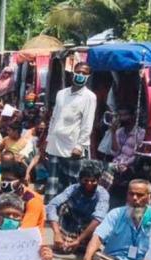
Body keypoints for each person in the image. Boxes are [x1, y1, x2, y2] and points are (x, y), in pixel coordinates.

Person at [45, 62, 96, 200]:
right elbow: (54, 117)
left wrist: (80, 146)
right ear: (73, 72)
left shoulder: (89, 97)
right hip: (55, 144)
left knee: (72, 183)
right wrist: (48, 138)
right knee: (53, 183)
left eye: (84, 73)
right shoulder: (61, 94)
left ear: (88, 76)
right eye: (78, 72)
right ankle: (51, 213)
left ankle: (70, 214)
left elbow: (87, 123)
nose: (81, 75)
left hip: (72, 147)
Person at [46, 164, 110, 254]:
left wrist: (79, 240)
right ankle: (68, 240)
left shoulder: (103, 194)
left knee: (101, 220)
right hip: (72, 223)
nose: (89, 184)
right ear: (80, 180)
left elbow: (98, 219)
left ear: (98, 181)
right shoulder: (72, 189)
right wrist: (56, 233)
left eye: (93, 181)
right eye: (86, 180)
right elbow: (52, 205)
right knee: (62, 207)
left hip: (89, 226)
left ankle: (82, 242)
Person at [0, 160, 46, 232]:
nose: (4, 183)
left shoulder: (32, 200)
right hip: (2, 233)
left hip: (27, 240)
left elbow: (25, 230)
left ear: (22, 181)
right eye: (3, 179)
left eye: (9, 180)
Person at [102, 107, 146, 190]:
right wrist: (113, 132)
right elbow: (115, 152)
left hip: (131, 165)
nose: (122, 118)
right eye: (120, 115)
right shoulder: (119, 131)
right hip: (117, 163)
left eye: (125, 115)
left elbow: (138, 155)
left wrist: (126, 164)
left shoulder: (141, 133)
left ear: (133, 116)